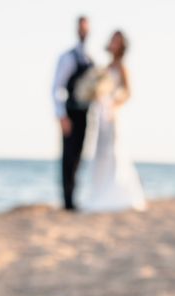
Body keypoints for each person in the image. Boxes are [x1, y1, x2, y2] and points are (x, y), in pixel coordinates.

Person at [83, 31, 146, 212]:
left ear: (122, 46)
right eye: (112, 40)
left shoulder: (122, 68)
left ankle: (118, 194)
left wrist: (114, 106)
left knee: (114, 152)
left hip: (113, 115)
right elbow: (99, 90)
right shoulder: (105, 68)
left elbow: (128, 93)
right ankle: (100, 192)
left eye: (117, 42)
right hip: (101, 114)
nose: (113, 44)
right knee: (101, 153)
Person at [52, 16, 93, 211]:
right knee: (68, 156)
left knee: (78, 156)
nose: (84, 31)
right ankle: (67, 200)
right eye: (81, 28)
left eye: (86, 28)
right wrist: (61, 115)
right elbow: (56, 87)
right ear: (77, 30)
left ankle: (73, 197)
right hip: (70, 113)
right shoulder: (68, 57)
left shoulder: (90, 59)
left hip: (86, 113)